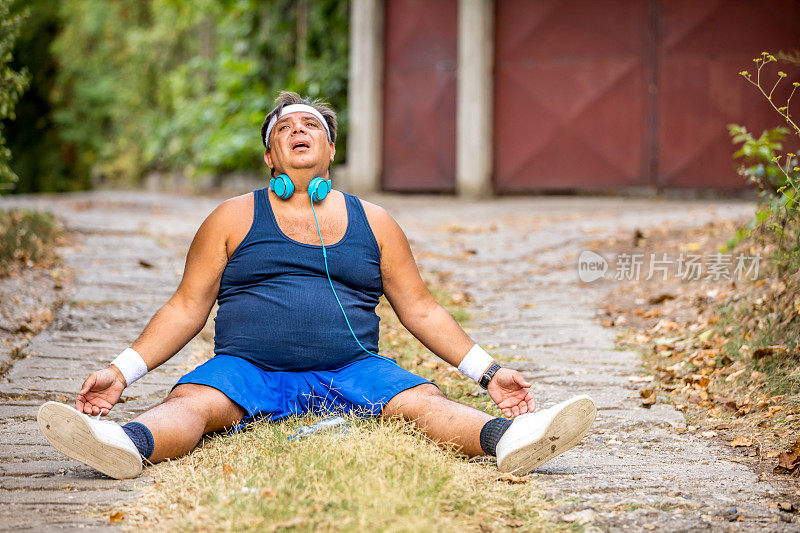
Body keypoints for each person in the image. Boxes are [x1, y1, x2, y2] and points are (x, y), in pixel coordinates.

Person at [37, 92, 596, 480]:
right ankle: (123, 445)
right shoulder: (231, 217)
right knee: (190, 404)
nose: (297, 131)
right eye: (284, 129)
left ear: (331, 150)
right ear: (270, 157)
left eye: (311, 127)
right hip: (246, 371)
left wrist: (491, 373)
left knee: (424, 401)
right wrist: (119, 371)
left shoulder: (375, 221)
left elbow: (420, 309)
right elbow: (186, 307)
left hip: (354, 370)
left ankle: (509, 440)